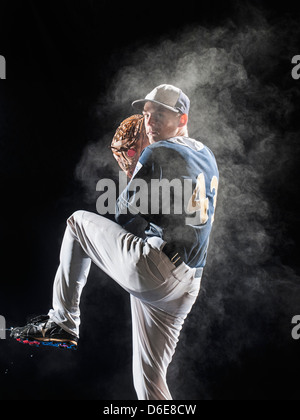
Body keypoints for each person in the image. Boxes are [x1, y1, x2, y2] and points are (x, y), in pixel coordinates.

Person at [11, 84, 219, 400]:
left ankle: (62, 323)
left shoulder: (158, 152)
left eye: (160, 114)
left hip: (158, 269)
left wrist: (131, 171)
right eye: (147, 114)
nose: (149, 122)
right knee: (149, 387)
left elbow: (124, 214)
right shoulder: (207, 154)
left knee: (77, 223)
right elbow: (170, 210)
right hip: (187, 285)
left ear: (182, 118)